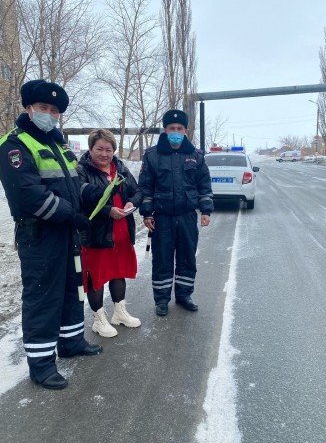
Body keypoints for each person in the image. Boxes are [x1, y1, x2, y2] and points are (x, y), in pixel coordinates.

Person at [0, 79, 103, 390]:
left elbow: (72, 183)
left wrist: (91, 194)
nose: (49, 114)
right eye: (43, 108)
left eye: (54, 110)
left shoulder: (58, 144)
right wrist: (70, 214)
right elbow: (29, 195)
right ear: (28, 108)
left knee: (71, 289)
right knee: (44, 296)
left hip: (66, 233)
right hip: (41, 235)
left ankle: (71, 343)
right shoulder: (14, 145)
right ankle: (42, 365)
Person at [138, 109, 213, 316]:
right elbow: (145, 187)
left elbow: (204, 185)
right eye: (172, 128)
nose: (176, 131)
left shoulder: (196, 156)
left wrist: (206, 210)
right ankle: (161, 300)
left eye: (180, 128)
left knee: (187, 257)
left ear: (186, 130)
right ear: (165, 130)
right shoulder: (152, 156)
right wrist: (147, 213)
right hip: (162, 217)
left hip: (187, 216)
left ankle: (184, 295)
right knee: (162, 259)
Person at [77, 129, 142, 337]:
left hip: (121, 231)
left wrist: (132, 203)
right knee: (97, 276)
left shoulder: (120, 168)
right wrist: (108, 212)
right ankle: (99, 318)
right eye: (99, 149)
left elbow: (137, 191)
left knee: (118, 272)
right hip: (97, 234)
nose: (104, 154)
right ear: (90, 149)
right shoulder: (82, 171)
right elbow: (81, 201)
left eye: (108, 149)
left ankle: (119, 312)